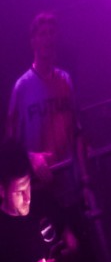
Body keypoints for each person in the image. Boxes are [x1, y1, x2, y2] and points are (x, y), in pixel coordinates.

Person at [7, 11, 78, 181]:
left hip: (69, 178)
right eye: (42, 34)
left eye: (52, 33)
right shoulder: (22, 87)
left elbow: (76, 130)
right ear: (33, 41)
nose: (48, 38)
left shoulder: (65, 80)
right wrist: (31, 157)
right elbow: (10, 142)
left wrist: (85, 180)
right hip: (40, 182)